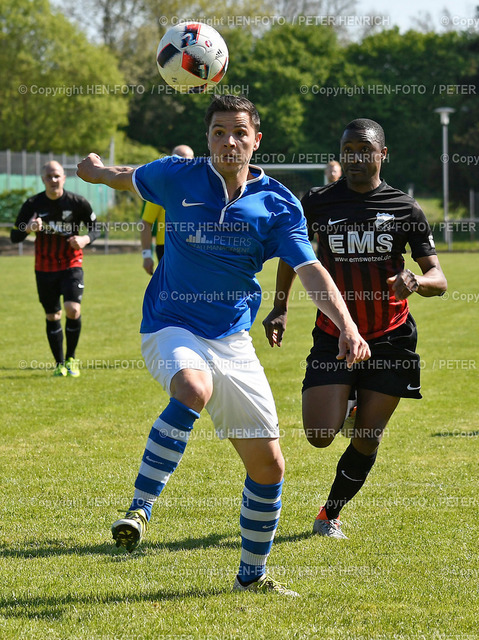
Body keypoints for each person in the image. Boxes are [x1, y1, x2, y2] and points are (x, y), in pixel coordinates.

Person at [77, 95, 370, 596]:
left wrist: (346, 323)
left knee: (269, 466)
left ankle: (251, 578)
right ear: (208, 138)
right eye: (218, 132)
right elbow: (129, 176)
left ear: (257, 140)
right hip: (170, 325)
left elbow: (309, 270)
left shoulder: (277, 203)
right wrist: (98, 171)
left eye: (239, 132)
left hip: (233, 339)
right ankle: (140, 508)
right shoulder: (179, 175)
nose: (228, 141)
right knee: (193, 386)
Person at [263, 118, 447, 539]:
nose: (355, 158)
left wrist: (416, 282)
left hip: (391, 337)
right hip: (335, 334)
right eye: (348, 150)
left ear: (383, 155)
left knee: (366, 437)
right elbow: (293, 257)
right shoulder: (318, 202)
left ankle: (330, 514)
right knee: (320, 435)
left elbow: (439, 277)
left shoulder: (405, 208)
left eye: (365, 150)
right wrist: (279, 308)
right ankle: (347, 401)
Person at [11, 161, 100, 377]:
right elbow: (15, 236)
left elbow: (97, 228)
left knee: (73, 309)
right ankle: (59, 363)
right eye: (49, 176)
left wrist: (85, 239)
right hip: (44, 267)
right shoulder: (32, 204)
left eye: (57, 175)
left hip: (71, 263)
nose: (53, 180)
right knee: (53, 315)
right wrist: (28, 228)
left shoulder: (77, 203)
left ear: (64, 178)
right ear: (43, 179)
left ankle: (71, 359)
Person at [140, 144, 195, 275]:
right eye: (178, 160)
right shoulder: (161, 188)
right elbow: (146, 223)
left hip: (195, 247)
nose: (183, 164)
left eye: (187, 160)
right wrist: (147, 255)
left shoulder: (201, 188)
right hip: (167, 248)